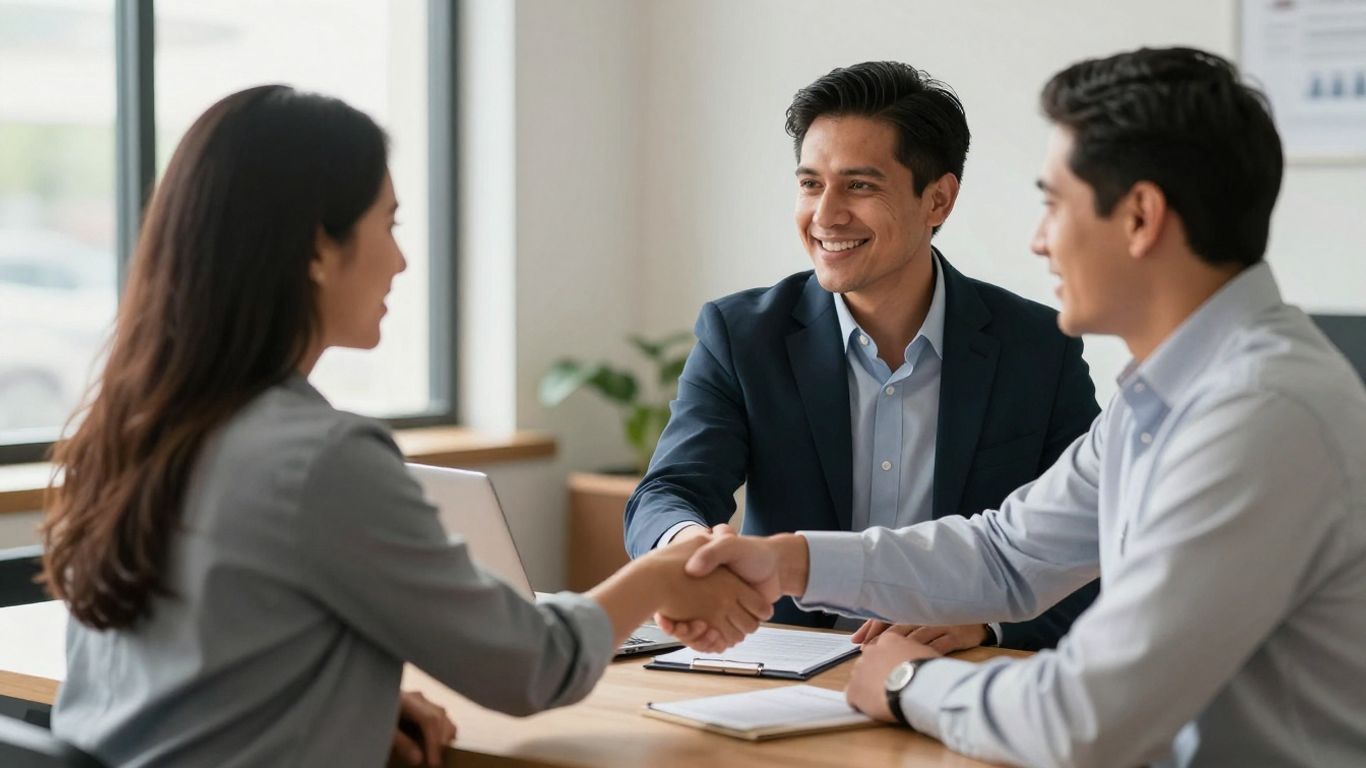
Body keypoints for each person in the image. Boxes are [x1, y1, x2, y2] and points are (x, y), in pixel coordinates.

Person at [40, 85, 773, 768]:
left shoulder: (136, 423)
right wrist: (655, 579)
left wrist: (339, 694)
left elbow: (189, 651)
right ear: (317, 251)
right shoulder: (319, 459)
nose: (400, 259)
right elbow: (531, 667)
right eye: (387, 224)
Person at [671, 47, 1366, 767]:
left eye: (1053, 204)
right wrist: (784, 563)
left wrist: (910, 683)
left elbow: (1086, 719)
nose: (1038, 239)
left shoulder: (1260, 414)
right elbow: (1006, 554)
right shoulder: (1168, 395)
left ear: (1139, 217)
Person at [625, 60, 1100, 651]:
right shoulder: (742, 335)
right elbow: (669, 490)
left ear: (939, 201)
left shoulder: (1038, 347)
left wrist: (988, 623)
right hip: (782, 662)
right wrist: (687, 546)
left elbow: (1090, 549)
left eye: (860, 185)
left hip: (958, 669)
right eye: (809, 184)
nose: (825, 216)